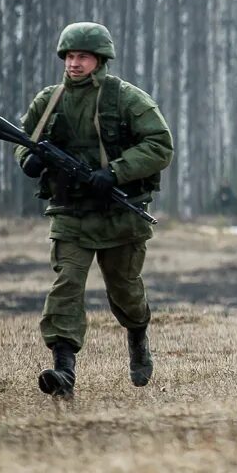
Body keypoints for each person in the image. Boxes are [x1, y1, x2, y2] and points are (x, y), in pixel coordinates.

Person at [15, 22, 174, 398]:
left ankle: (137, 335)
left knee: (125, 291)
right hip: (70, 214)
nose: (73, 63)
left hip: (120, 214)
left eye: (82, 56)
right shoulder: (49, 100)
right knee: (67, 284)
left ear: (100, 60)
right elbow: (23, 140)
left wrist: (115, 172)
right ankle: (64, 369)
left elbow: (160, 145)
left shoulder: (127, 100)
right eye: (69, 56)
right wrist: (29, 160)